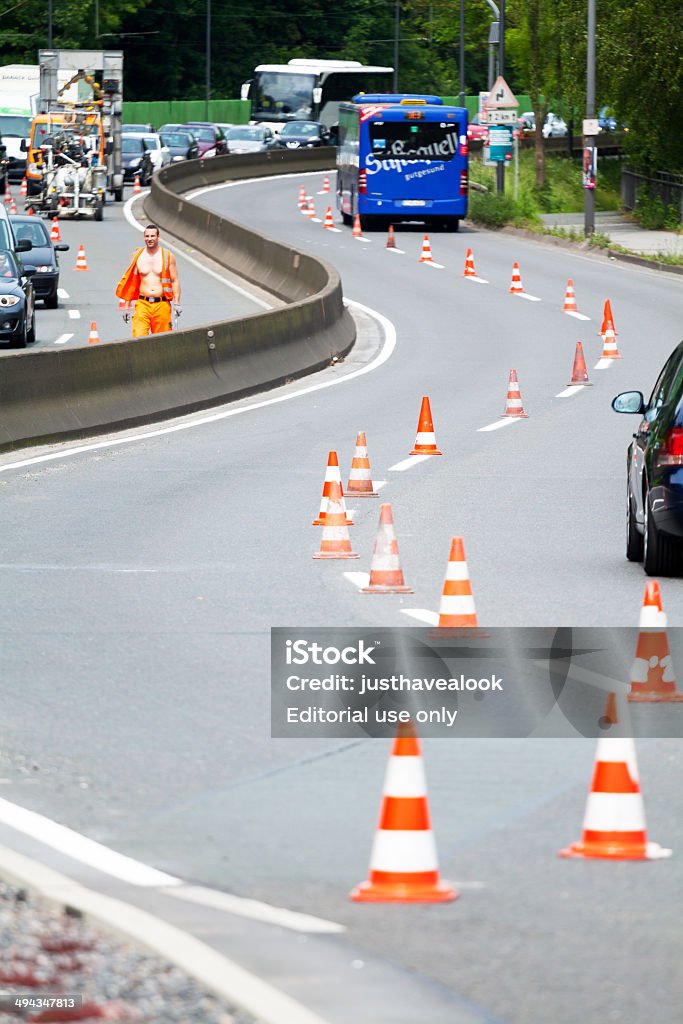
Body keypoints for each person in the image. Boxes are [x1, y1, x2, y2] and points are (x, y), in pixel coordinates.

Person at [115, 224, 181, 337]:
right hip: (142, 304)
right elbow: (132, 282)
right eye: (147, 236)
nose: (149, 239)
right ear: (144, 237)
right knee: (138, 337)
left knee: (162, 340)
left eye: (152, 236)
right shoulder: (137, 256)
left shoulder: (168, 256)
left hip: (162, 304)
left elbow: (174, 281)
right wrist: (127, 306)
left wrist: (177, 303)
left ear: (158, 237)